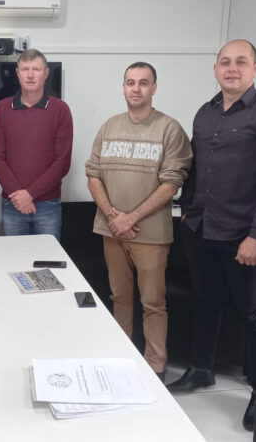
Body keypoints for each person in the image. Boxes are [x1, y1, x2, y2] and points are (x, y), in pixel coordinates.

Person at [166, 39, 256, 432]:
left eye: (241, 61)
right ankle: (201, 369)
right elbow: (195, 167)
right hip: (201, 228)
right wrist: (187, 211)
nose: (232, 68)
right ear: (216, 69)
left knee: (253, 314)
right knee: (205, 303)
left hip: (243, 235)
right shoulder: (205, 113)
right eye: (225, 61)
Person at [85, 62, 192, 379]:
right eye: (130, 82)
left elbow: (172, 183)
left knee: (153, 302)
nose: (136, 88)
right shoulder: (109, 127)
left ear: (153, 88)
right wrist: (112, 215)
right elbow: (93, 174)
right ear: (123, 87)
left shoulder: (169, 129)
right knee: (119, 297)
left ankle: (155, 364)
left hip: (150, 234)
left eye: (143, 83)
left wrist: (130, 217)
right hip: (111, 230)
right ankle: (122, 356)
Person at [0, 49, 73, 240]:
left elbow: (62, 162)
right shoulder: (1, 109)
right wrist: (19, 197)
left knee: (47, 257)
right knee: (14, 257)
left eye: (36, 69)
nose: (30, 75)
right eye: (25, 69)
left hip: (48, 205)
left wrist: (30, 194)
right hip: (12, 203)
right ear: (17, 73)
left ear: (46, 73)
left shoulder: (60, 110)